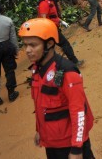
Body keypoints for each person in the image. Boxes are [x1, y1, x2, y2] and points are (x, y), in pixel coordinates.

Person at [18, 18, 95, 159]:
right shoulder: (37, 69)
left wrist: (77, 149)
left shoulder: (67, 72)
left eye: (33, 45)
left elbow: (78, 111)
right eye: (25, 45)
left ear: (50, 44)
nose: (27, 50)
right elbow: (41, 105)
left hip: (68, 143)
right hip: (51, 141)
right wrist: (39, 130)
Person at [38, 0, 83, 67]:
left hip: (54, 28)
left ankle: (50, 67)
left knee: (50, 49)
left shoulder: (50, 1)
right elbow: (43, 20)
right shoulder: (44, 4)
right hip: (51, 30)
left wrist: (61, 21)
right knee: (65, 44)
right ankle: (74, 62)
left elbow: (53, 16)